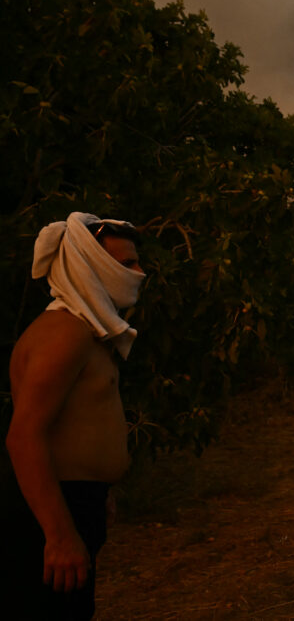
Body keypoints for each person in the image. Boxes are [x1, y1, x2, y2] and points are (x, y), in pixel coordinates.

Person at [4, 212, 145, 620]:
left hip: (74, 502)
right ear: (91, 267)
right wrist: (59, 533)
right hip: (47, 512)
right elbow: (23, 436)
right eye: (126, 263)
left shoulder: (88, 332)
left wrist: (100, 490)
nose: (140, 272)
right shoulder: (64, 333)